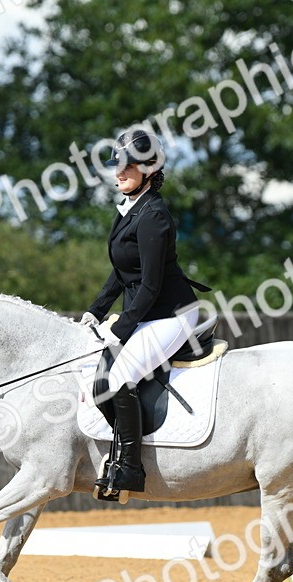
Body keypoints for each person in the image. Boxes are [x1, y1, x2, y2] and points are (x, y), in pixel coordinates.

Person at [81, 129, 210, 500]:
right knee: (99, 384)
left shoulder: (153, 215)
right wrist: (96, 309)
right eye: (116, 166)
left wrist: (121, 327)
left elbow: (151, 284)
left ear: (149, 169)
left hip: (170, 315)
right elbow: (123, 272)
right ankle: (121, 457)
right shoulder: (130, 209)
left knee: (119, 380)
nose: (118, 173)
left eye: (126, 166)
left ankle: (130, 469)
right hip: (146, 313)